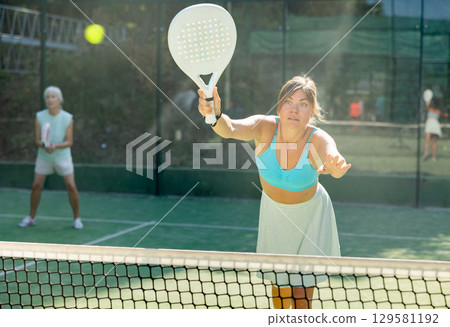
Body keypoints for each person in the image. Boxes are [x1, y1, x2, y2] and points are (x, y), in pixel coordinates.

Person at [198, 76, 351, 309]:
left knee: (301, 297)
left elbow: (333, 157)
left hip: (312, 216)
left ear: (312, 111)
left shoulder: (317, 138)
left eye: (303, 104)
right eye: (288, 102)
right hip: (275, 215)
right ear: (279, 106)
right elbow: (228, 128)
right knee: (280, 296)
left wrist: (336, 167)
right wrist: (214, 115)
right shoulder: (264, 127)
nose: (294, 109)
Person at [18, 86, 83, 229]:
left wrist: (55, 146)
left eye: (53, 97)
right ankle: (31, 217)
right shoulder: (40, 116)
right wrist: (45, 145)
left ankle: (77, 218)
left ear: (59, 100)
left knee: (71, 187)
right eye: (47, 97)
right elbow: (37, 140)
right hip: (44, 157)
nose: (50, 99)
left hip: (63, 157)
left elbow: (69, 141)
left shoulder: (67, 118)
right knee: (36, 186)